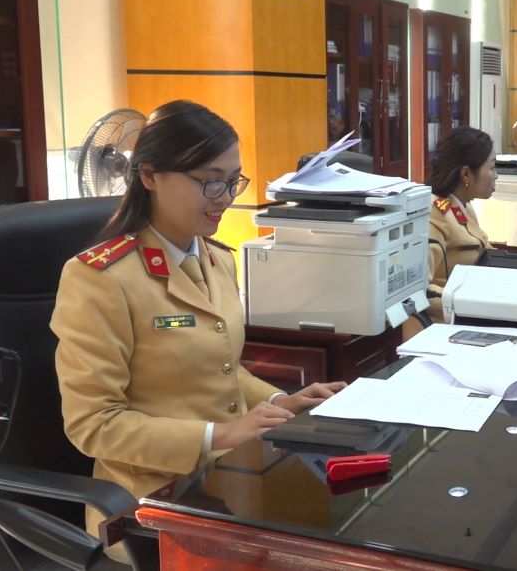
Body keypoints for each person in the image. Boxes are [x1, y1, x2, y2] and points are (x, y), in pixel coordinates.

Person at [53, 101, 347, 558]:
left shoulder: (218, 259)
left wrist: (276, 401)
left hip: (231, 481)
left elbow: (222, 367)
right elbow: (94, 424)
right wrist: (219, 435)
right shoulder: (100, 278)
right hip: (150, 505)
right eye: (209, 180)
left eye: (233, 181)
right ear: (149, 176)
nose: (225, 197)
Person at [423, 126, 497, 324]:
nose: (496, 175)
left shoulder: (464, 206)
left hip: (477, 312)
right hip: (450, 323)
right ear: (466, 174)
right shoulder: (434, 213)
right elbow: (421, 288)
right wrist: (468, 301)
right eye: (492, 167)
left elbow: (488, 254)